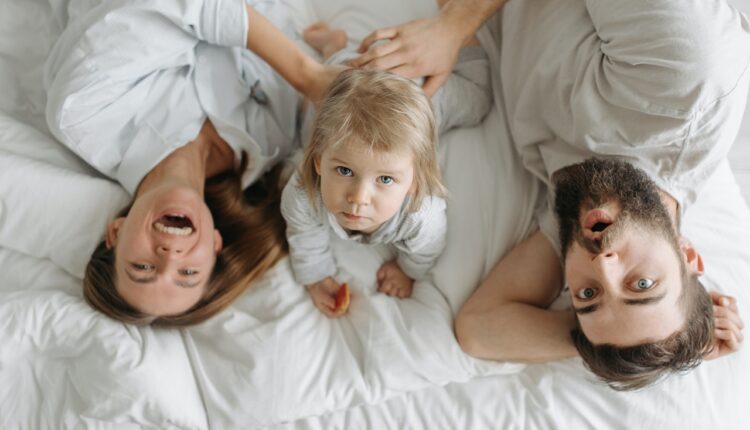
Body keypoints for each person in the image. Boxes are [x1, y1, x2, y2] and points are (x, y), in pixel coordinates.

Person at [353, 0, 750, 389]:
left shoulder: (583, 218)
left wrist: (624, 348)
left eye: (589, 295)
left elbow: (479, 329)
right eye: (642, 285)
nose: (603, 263)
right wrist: (455, 24)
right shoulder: (686, 79)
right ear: (688, 254)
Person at [44, 0, 342, 325]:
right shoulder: (269, 149)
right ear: (214, 243)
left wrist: (309, 76)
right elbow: (331, 147)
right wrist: (330, 53)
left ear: (115, 233)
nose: (169, 257)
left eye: (141, 267)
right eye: (188, 273)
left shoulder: (83, 114)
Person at [280, 23, 490, 316]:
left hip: (421, 92)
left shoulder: (421, 215)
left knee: (480, 97)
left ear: (414, 181)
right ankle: (334, 46)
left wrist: (407, 270)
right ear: (318, 161)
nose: (358, 197)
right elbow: (303, 234)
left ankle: (457, 33)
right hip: (345, 86)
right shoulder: (304, 192)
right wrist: (315, 276)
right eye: (344, 172)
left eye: (385, 179)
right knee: (324, 91)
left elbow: (426, 249)